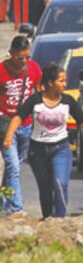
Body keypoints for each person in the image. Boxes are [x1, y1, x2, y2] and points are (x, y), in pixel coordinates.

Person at [3, 63, 83, 218]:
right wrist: (8, 137)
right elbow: (18, 117)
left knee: (60, 183)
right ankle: (48, 219)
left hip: (60, 149)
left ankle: (60, 219)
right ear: (50, 83)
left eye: (65, 81)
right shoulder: (35, 101)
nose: (64, 84)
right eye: (61, 81)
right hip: (38, 151)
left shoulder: (68, 101)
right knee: (45, 188)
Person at [0, 35, 41, 214]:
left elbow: (39, 93)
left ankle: (3, 202)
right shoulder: (1, 71)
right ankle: (16, 209)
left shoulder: (33, 69)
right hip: (6, 124)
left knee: (13, 168)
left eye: (27, 57)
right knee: (13, 166)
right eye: (19, 57)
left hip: (26, 124)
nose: (23, 61)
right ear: (11, 53)